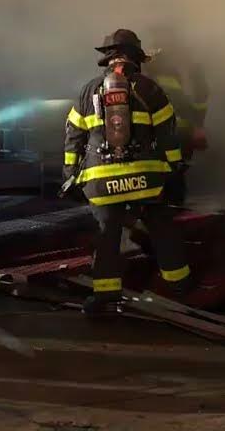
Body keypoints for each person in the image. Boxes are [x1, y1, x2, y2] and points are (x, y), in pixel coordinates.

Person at [62, 29, 192, 314]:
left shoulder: (88, 91)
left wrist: (69, 171)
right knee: (161, 226)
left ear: (107, 59)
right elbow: (169, 135)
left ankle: (105, 294)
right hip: (146, 179)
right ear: (136, 58)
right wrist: (174, 168)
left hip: (102, 182)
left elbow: (74, 136)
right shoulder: (150, 89)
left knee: (107, 234)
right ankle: (179, 286)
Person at [147, 26, 210, 207]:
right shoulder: (163, 70)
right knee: (172, 177)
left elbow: (195, 98)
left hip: (173, 134)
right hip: (170, 134)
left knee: (172, 177)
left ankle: (169, 216)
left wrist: (197, 126)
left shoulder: (173, 71)